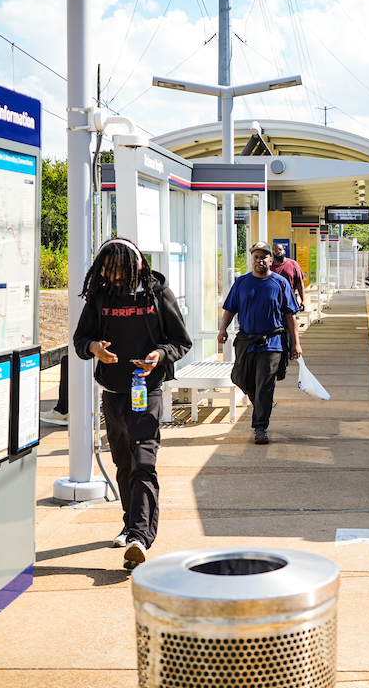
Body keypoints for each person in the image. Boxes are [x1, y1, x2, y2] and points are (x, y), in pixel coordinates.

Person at [73, 238, 191, 569]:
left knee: (143, 462)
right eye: (107, 270)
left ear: (136, 265)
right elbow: (80, 339)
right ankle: (130, 524)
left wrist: (160, 355)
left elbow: (181, 341)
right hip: (113, 391)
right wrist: (94, 347)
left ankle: (140, 535)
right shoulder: (100, 296)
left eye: (117, 270)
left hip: (146, 390)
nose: (112, 276)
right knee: (123, 464)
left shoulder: (156, 294)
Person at [218, 241, 302, 445]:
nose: (259, 260)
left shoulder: (280, 283)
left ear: (270, 260)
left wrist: (295, 343)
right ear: (252, 260)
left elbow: (290, 315)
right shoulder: (241, 282)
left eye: (264, 257)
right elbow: (230, 308)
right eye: (256, 257)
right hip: (246, 341)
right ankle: (263, 405)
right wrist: (222, 329)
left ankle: (260, 427)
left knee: (264, 383)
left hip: (272, 342)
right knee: (242, 378)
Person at [270, 241, 306, 311]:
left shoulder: (293, 264)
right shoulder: (270, 267)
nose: (278, 252)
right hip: (274, 303)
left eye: (280, 249)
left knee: (291, 321)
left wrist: (303, 300)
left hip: (290, 301)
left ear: (284, 251)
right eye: (276, 250)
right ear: (273, 253)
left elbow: (299, 283)